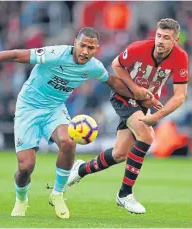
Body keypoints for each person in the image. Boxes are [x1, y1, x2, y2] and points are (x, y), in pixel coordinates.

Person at [0, 27, 153, 219]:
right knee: (26, 167)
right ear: (75, 42)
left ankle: (58, 193)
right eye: (83, 45)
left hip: (54, 108)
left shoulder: (94, 66)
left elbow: (114, 83)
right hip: (28, 107)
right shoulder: (55, 54)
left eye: (91, 48)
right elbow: (16, 55)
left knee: (69, 141)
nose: (85, 51)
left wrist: (141, 96)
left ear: (97, 49)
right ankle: (21, 199)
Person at [67, 18, 189, 214]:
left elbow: (180, 96)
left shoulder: (181, 58)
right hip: (123, 95)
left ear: (175, 40)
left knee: (119, 154)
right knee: (147, 135)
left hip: (144, 103)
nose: (160, 41)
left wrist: (156, 116)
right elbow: (116, 64)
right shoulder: (139, 48)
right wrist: (135, 88)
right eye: (159, 35)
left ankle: (80, 170)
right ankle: (125, 194)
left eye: (166, 38)